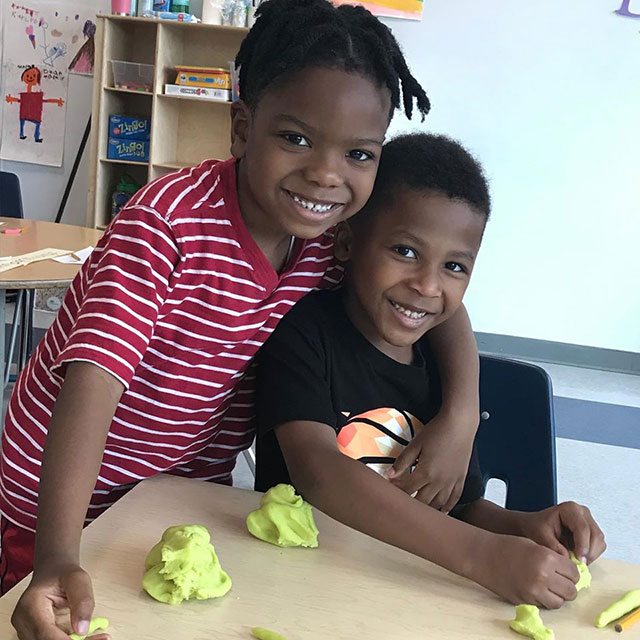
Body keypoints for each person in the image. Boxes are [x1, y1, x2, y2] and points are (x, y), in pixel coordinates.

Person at [2, 1, 480, 638]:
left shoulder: (327, 238)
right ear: (241, 127)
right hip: (53, 501)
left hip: (179, 493)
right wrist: (58, 554)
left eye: (359, 154)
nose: (326, 174)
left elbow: (431, 291)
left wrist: (463, 413)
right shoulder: (166, 223)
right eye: (296, 138)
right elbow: (92, 380)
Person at [255, 133, 607, 609]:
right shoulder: (303, 333)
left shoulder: (442, 371)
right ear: (347, 243)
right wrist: (484, 557)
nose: (427, 284)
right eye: (404, 251)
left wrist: (525, 527)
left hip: (405, 597)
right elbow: (318, 473)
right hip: (294, 587)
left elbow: (460, 510)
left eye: (455, 267)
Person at [4, 66, 65, 143]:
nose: (30, 78)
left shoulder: (37, 96)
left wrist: (56, 101)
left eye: (33, 76)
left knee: (37, 123)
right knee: (24, 122)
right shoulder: (25, 95)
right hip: (25, 111)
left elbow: (44, 101)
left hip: (34, 112)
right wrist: (11, 99)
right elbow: (20, 100)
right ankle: (22, 135)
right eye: (28, 76)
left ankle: (35, 137)